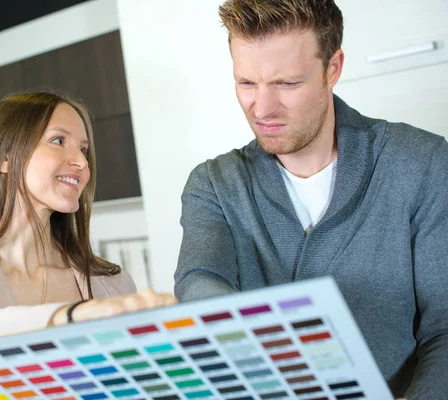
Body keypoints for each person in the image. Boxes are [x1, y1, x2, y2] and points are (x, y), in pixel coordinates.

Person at [174, 1, 447, 399]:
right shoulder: (214, 184)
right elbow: (199, 281)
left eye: (287, 84)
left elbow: (444, 328)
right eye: (246, 83)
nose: (262, 108)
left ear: (332, 69)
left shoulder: (421, 163)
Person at [0, 90, 176, 349]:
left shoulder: (111, 281)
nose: (81, 161)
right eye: (58, 141)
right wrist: (73, 316)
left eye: (83, 149)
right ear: (4, 158)